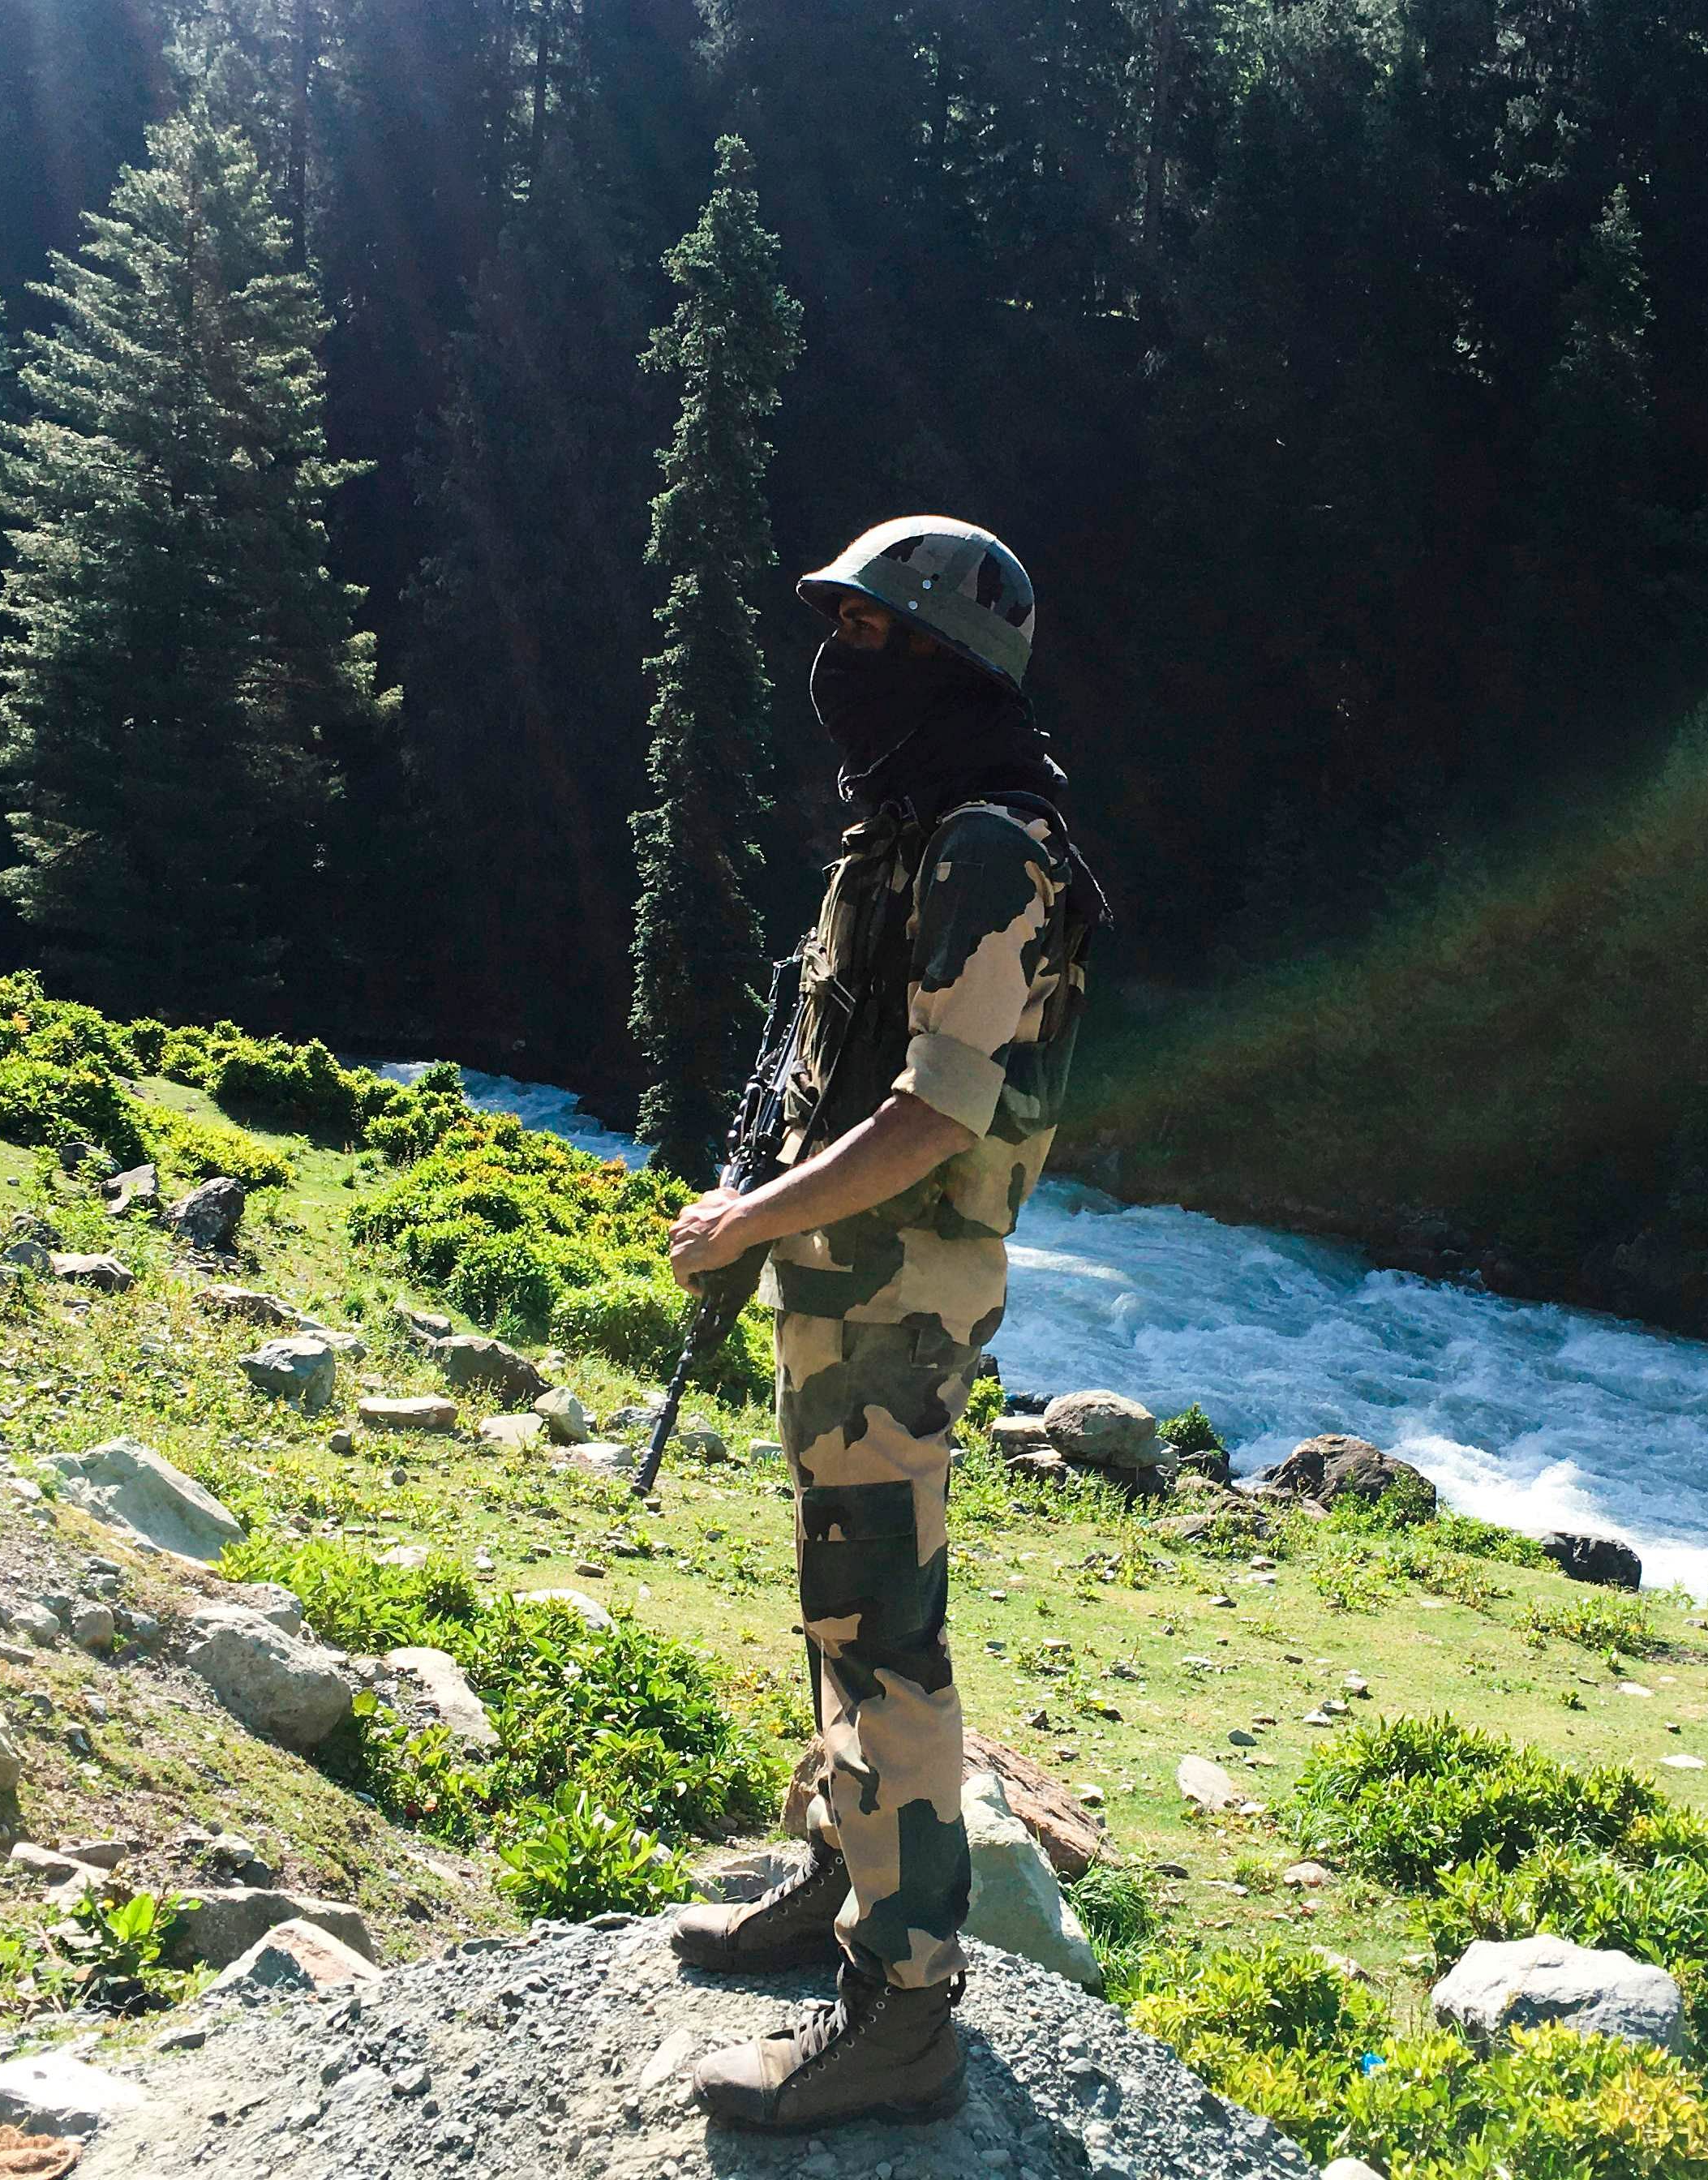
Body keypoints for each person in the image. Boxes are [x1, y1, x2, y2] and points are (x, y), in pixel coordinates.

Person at [661, 516, 1103, 2131]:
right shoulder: (916, 826)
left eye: (866, 636)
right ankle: (844, 1882)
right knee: (846, 1616)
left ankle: (903, 2004)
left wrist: (747, 1224)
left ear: (942, 661)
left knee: (886, 1645)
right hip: (852, 1290)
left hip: (903, 1300)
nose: (835, 665)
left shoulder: (992, 845)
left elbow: (935, 1113)